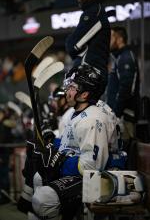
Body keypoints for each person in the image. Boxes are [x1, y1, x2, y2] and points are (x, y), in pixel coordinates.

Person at [18, 64, 119, 220]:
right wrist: (51, 144)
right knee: (39, 176)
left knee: (43, 200)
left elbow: (91, 167)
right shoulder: (79, 112)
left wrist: (59, 161)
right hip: (84, 169)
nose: (66, 91)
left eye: (71, 87)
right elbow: (71, 144)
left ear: (84, 94)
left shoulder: (92, 120)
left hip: (101, 177)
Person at [106, 26, 140, 143]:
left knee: (126, 153)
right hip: (118, 116)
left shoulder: (126, 57)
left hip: (124, 116)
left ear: (119, 39)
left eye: (111, 37)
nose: (108, 41)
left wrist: (116, 114)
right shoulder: (118, 57)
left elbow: (126, 89)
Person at [65, 0, 110, 80]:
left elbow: (72, 46)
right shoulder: (90, 11)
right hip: (88, 73)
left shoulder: (94, 12)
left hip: (90, 75)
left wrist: (70, 42)